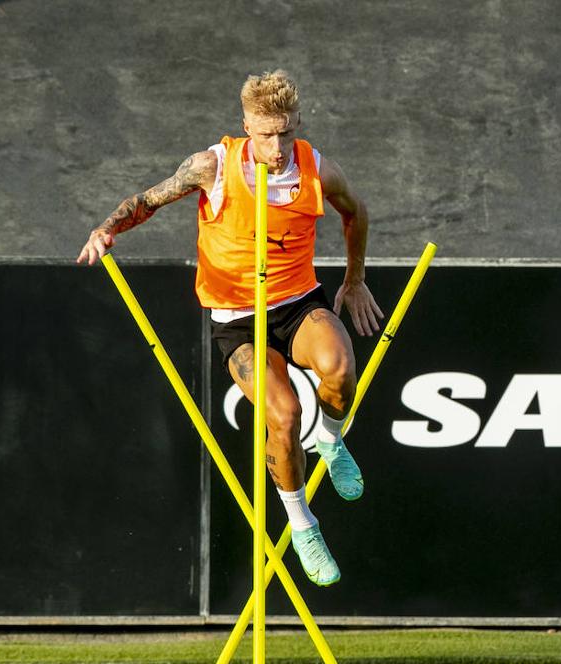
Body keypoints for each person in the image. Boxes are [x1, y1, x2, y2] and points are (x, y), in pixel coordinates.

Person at [77, 70, 383, 588]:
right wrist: (107, 228)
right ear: (246, 126)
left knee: (341, 366)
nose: (278, 145)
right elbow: (148, 200)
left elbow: (356, 213)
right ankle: (303, 522)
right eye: (266, 134)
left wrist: (353, 281)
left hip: (294, 300)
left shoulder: (314, 169)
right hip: (238, 317)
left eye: (286, 132)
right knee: (282, 416)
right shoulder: (212, 167)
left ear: (298, 125)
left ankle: (331, 443)